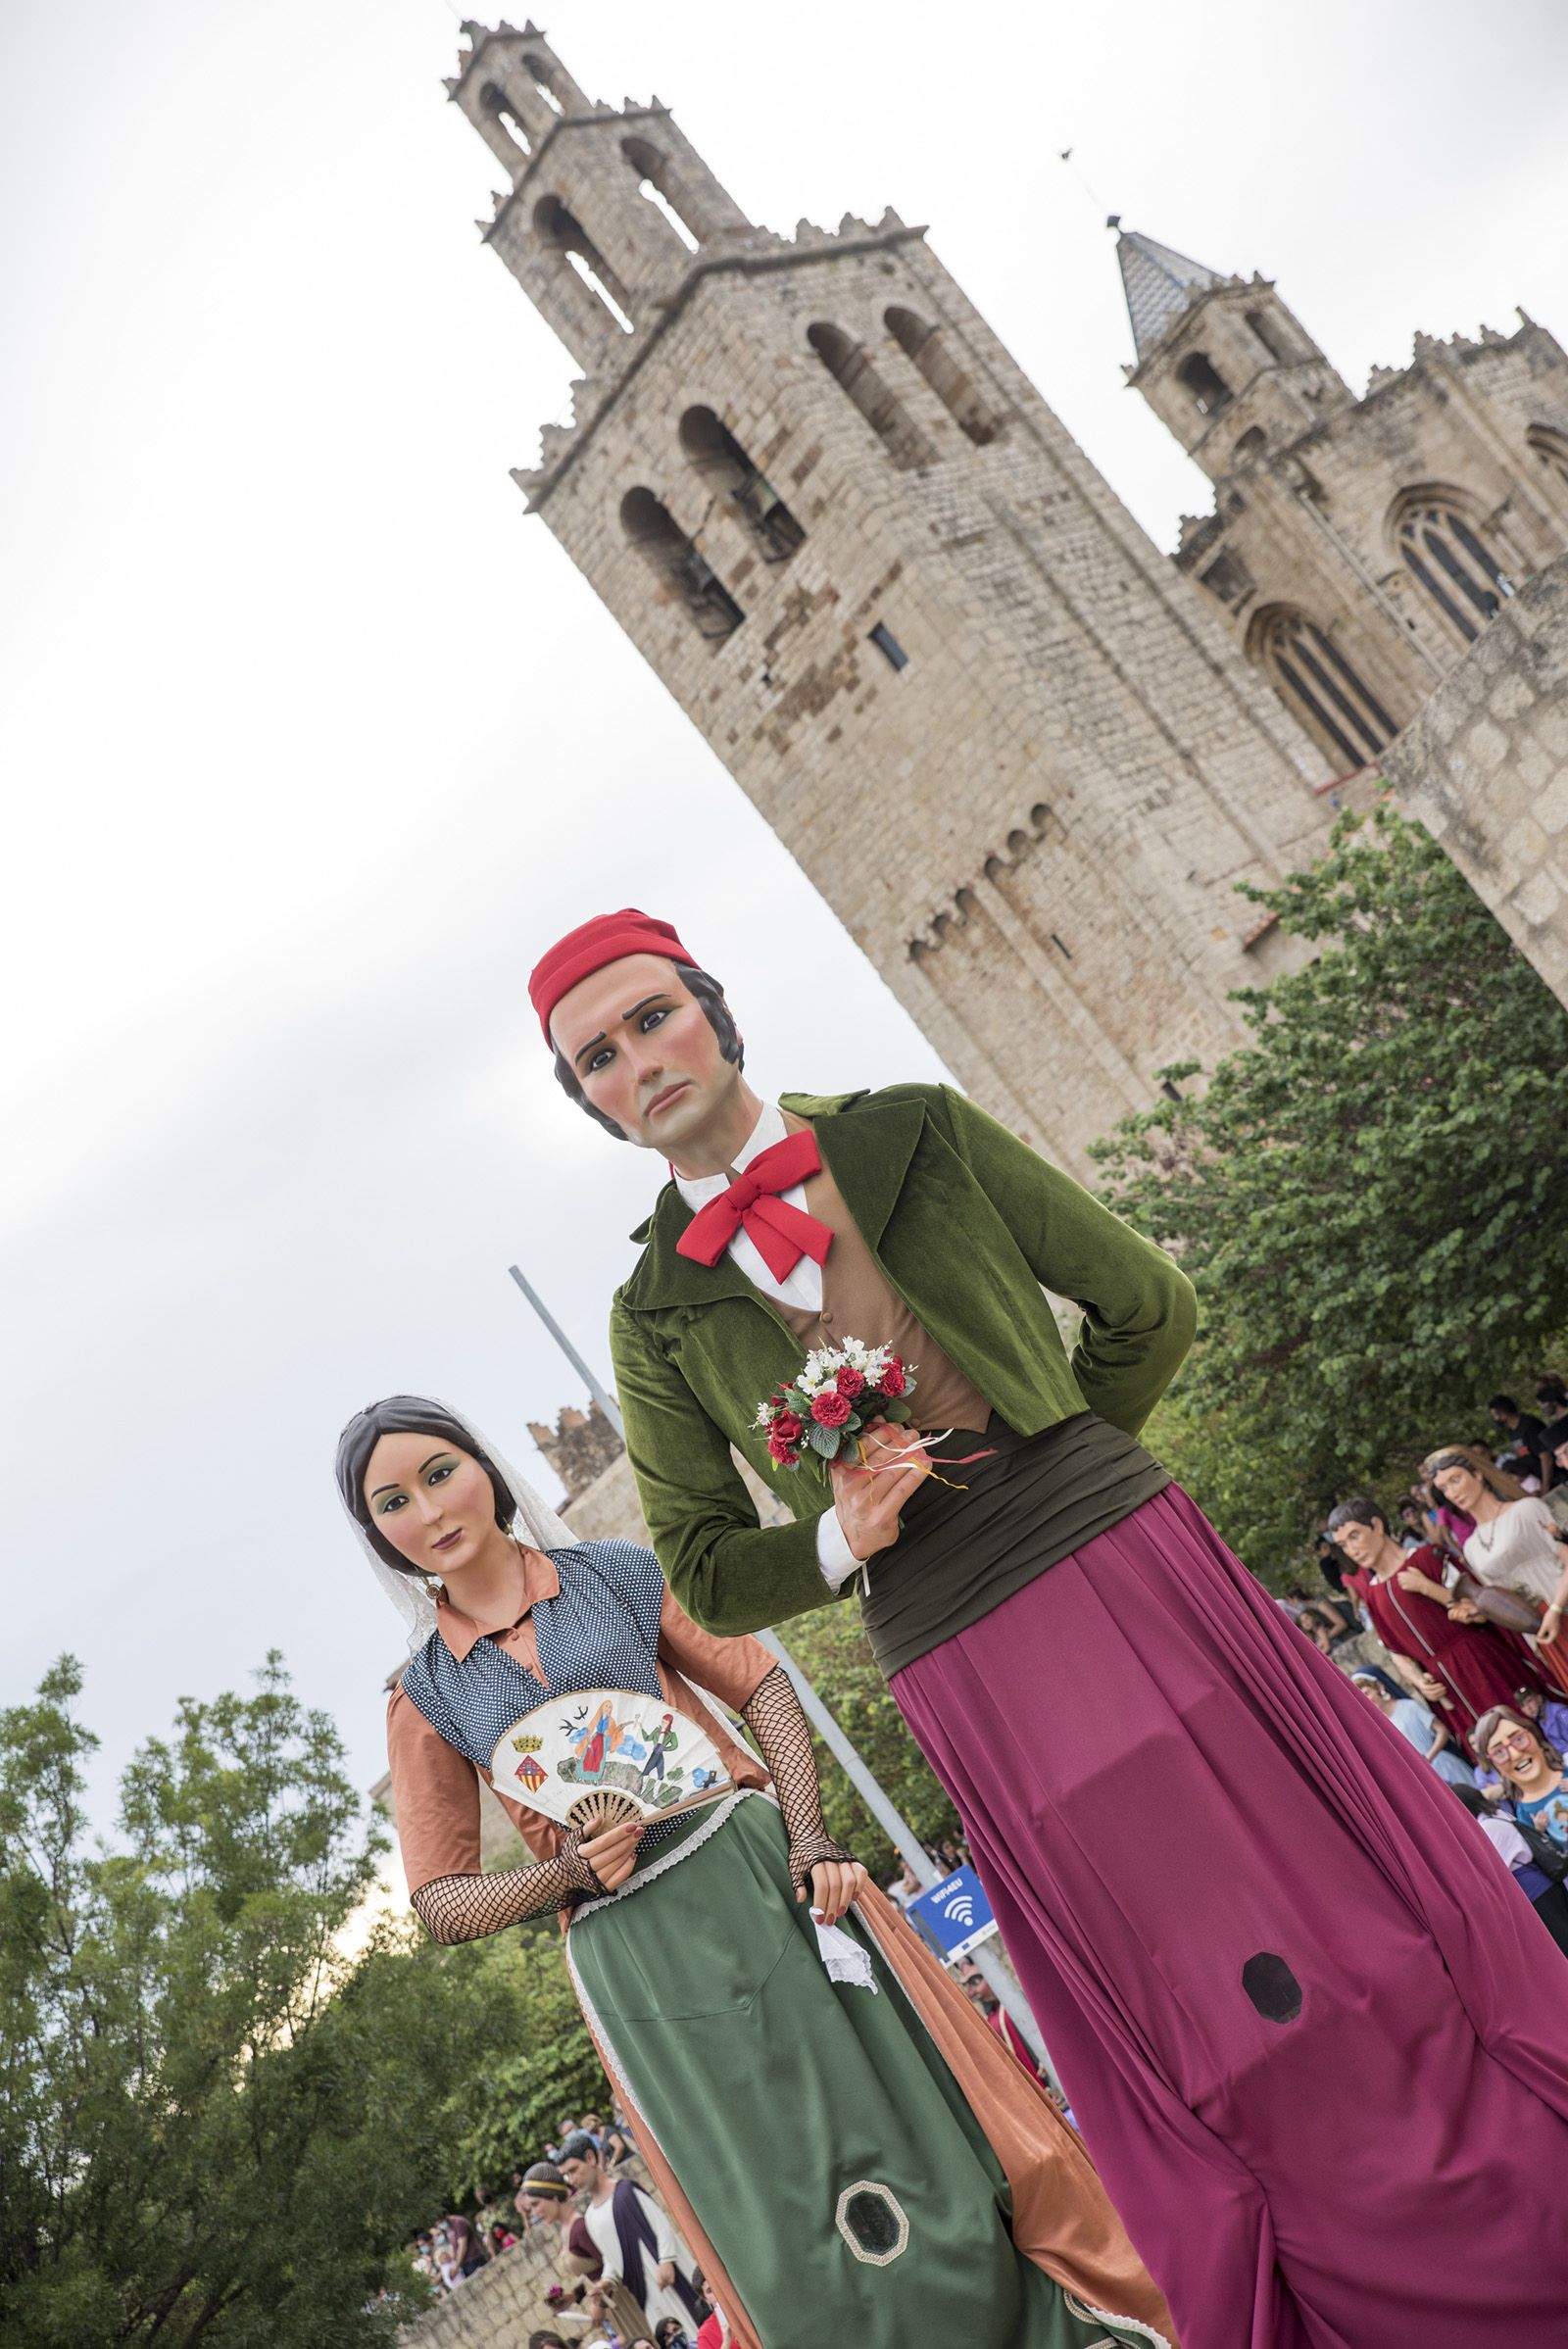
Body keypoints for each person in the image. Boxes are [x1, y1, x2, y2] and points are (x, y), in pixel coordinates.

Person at [527, 905, 1568, 2348]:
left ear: (713, 1008)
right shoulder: (653, 1315)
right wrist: (843, 1537)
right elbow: (702, 1568)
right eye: (598, 1055)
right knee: (1178, 1980)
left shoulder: (916, 1129)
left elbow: (1149, 1300)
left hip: (1125, 1564)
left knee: (1335, 1888)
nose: (638, 1059)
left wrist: (1071, 1462)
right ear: (587, 1102)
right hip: (955, 1647)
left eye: (651, 1017)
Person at [340, 1394, 1174, 2349]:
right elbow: (441, 1904)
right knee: (776, 2217)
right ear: (379, 1536)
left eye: (439, 1472)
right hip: (635, 1962)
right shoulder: (422, 1697)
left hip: (751, 1874)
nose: (431, 1511)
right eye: (393, 1501)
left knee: (910, 2116)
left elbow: (762, 1683)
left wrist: (807, 1837)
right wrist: (559, 1875)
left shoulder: (615, 1573)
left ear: (482, 1467)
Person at [1326, 1498, 1535, 1737]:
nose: (1352, 1550)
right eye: (1343, 1544)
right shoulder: (1372, 1595)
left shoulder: (1428, 1557)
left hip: (1479, 1662)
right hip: (1444, 1688)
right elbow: (1395, 1651)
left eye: (1355, 1536)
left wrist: (1427, 1588)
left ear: (1376, 1525)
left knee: (1521, 1726)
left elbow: (1480, 1606)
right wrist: (1419, 1680)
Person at [1430, 1447, 1568, 1694]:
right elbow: (1500, 1599)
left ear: (1477, 1474)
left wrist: (1555, 1610)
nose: (1452, 1492)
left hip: (1561, 1609)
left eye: (1456, 1479)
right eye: (1444, 1488)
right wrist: (1476, 1612)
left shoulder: (1526, 1509)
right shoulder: (1471, 1546)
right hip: (1538, 1627)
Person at [558, 2131, 702, 2339]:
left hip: (667, 2276)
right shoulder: (590, 2216)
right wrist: (606, 2281)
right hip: (646, 2293)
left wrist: (667, 2261)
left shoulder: (626, 2191)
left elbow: (661, 2225)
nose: (572, 2179)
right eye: (567, 2175)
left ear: (590, 2158)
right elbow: (610, 2255)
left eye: (574, 2170)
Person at [1348, 1674, 1476, 1786]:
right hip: (1420, 1777)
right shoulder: (1377, 1727)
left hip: (1442, 1765)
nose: (1366, 1699)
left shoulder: (1409, 1707)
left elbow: (1442, 1730)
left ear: (1379, 1688)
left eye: (1366, 1693)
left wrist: (1428, 1758)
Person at [1489, 1394, 1555, 1490]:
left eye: (1495, 1415)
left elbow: (1546, 1457)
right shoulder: (1512, 1432)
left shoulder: (1529, 1425)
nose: (1495, 1419)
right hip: (1538, 1482)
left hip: (1554, 1480)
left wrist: (1546, 1486)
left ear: (1503, 1412)